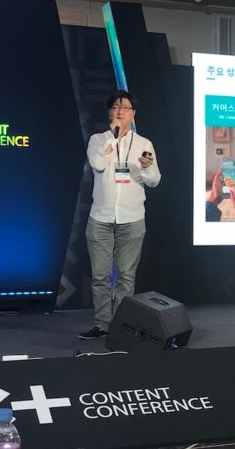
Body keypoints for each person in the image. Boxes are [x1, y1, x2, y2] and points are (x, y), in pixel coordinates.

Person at [80, 90, 161, 340]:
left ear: (133, 113)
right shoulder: (98, 140)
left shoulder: (143, 144)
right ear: (109, 112)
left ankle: (120, 326)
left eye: (125, 108)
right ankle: (103, 324)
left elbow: (154, 180)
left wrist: (146, 170)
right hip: (101, 218)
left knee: (126, 275)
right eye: (116, 107)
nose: (120, 111)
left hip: (132, 218)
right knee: (100, 276)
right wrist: (113, 140)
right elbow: (98, 164)